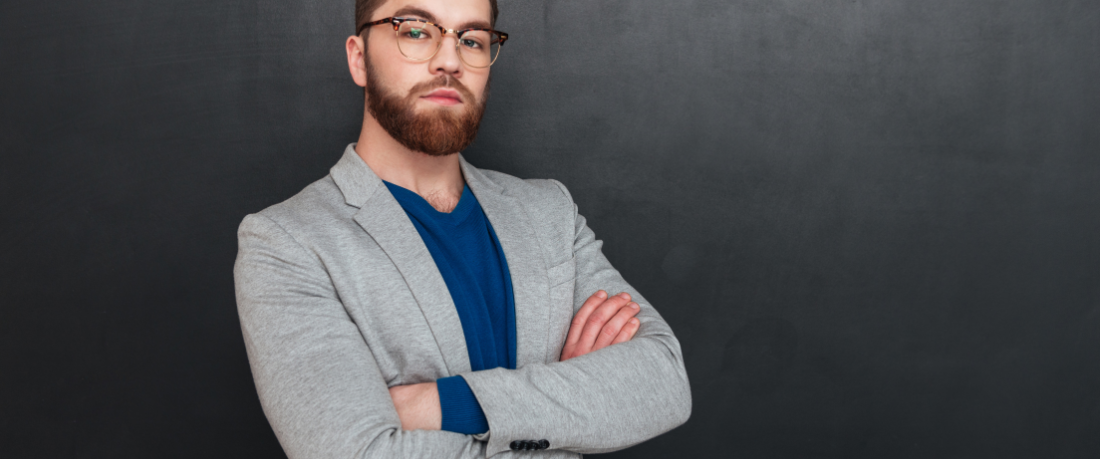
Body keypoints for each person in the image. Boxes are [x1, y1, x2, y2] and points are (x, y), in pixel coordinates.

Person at [232, 0, 691, 457]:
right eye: (416, 31)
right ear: (359, 58)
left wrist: (444, 403)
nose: (450, 61)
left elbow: (664, 382)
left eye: (471, 40)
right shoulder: (286, 244)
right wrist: (569, 406)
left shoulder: (549, 212)